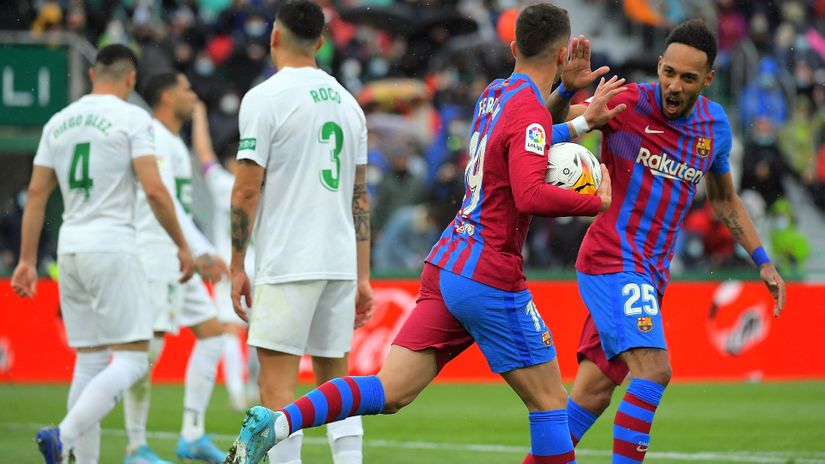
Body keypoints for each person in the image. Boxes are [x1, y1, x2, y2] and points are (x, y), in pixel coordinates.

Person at [225, 3, 626, 464]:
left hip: (449, 263)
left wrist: (577, 119)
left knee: (390, 391)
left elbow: (524, 137)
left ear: (514, 47)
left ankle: (278, 422)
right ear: (562, 55)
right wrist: (594, 202)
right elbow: (531, 191)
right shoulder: (528, 112)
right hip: (490, 274)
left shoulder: (495, 94)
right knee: (552, 404)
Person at [543, 19, 787, 463]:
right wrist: (564, 91)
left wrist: (763, 259)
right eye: (668, 72)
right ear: (659, 65)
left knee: (592, 395)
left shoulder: (713, 127)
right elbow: (543, 129)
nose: (674, 86)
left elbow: (725, 199)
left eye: (688, 78)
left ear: (708, 79)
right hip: (613, 258)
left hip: (650, 276)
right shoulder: (625, 103)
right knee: (654, 371)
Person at [10, 44, 195, 464]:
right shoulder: (133, 118)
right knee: (131, 358)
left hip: (70, 249)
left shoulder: (58, 122)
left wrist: (25, 260)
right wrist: (183, 245)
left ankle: (80, 458)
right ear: (131, 80)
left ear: (93, 75)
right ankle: (64, 434)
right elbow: (152, 188)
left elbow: (37, 193)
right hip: (112, 245)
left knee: (91, 360)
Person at [226, 1, 375, 462]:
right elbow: (360, 198)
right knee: (338, 388)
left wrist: (236, 265)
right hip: (337, 262)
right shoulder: (350, 105)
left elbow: (247, 190)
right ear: (321, 42)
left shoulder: (266, 98)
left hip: (289, 260)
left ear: (274, 37)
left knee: (277, 391)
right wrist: (363, 276)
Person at [123, 71, 230, 464]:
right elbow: (161, 197)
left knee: (213, 333)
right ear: (167, 95)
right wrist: (199, 250)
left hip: (177, 255)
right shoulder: (153, 136)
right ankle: (135, 446)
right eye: (186, 90)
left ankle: (192, 435)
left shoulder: (172, 142)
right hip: (155, 253)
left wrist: (196, 248)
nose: (193, 96)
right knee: (146, 351)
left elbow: (178, 206)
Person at [191, 102, 258, 413]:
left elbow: (204, 154)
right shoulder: (264, 186)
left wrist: (199, 115)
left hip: (233, 265)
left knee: (231, 330)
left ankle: (236, 393)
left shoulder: (223, 184)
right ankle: (256, 388)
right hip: (266, 265)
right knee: (262, 332)